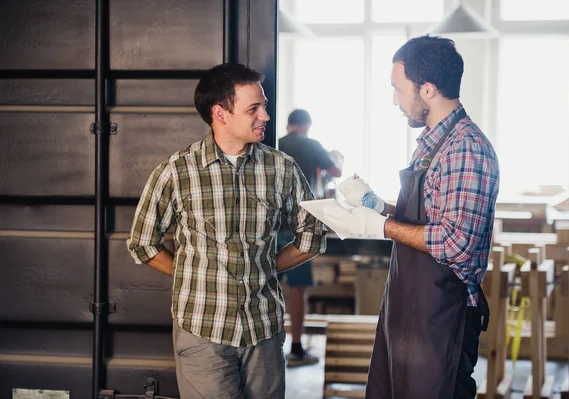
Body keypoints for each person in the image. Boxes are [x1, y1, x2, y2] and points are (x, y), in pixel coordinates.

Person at [126, 63, 327, 399]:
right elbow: (142, 243)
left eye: (263, 106)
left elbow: (311, 236)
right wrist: (192, 274)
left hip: (263, 330)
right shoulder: (177, 171)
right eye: (254, 108)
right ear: (220, 113)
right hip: (202, 332)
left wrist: (265, 266)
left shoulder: (282, 168)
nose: (265, 115)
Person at [321, 35, 500, 398]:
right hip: (409, 312)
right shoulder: (433, 145)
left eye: (398, 89)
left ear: (428, 90)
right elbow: (431, 218)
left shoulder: (465, 148)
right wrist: (376, 206)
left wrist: (381, 227)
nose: (394, 100)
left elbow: (456, 244)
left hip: (441, 319)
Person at [277, 109, 342, 367]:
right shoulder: (312, 145)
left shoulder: (275, 143)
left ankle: (271, 347)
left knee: (267, 285)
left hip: (270, 225)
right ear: (306, 125)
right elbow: (335, 171)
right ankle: (296, 348)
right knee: (297, 289)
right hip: (299, 227)